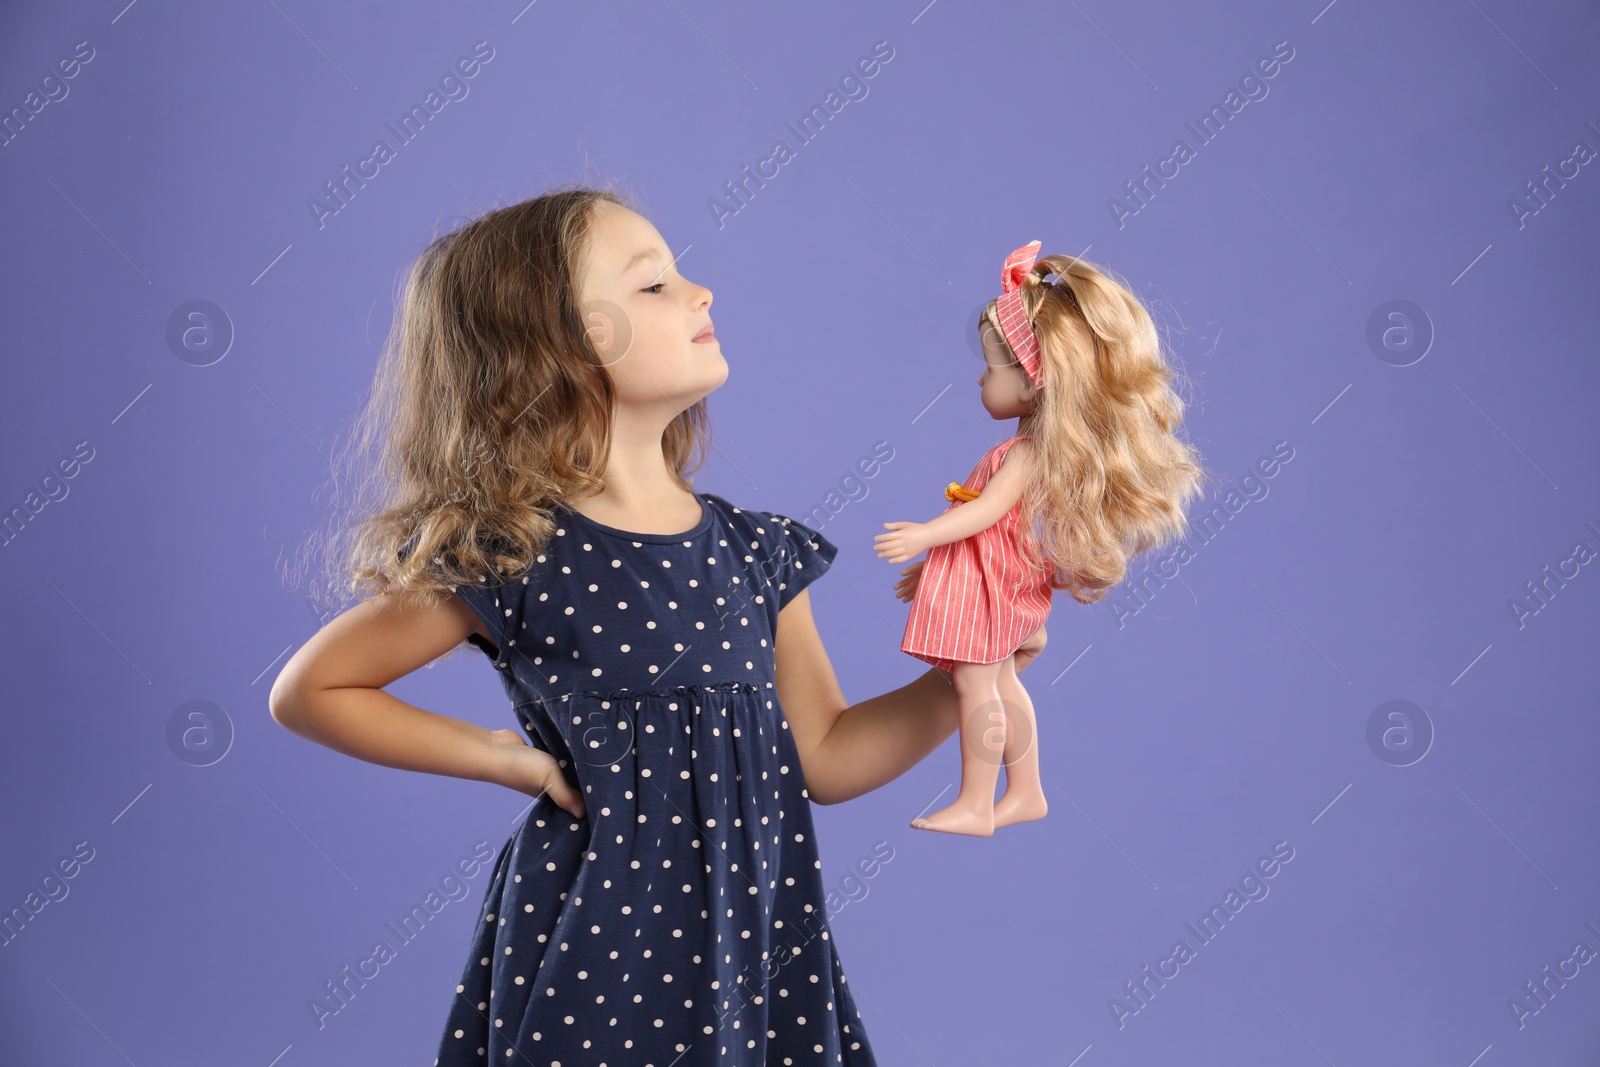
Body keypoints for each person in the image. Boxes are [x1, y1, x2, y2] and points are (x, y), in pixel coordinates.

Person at [268, 183, 1049, 1064]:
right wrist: (501, 757)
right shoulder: (516, 553)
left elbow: (825, 753)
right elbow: (313, 691)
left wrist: (960, 676)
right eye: (653, 285)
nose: (700, 292)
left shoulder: (757, 553)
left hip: (751, 944)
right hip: (598, 949)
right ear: (555, 346)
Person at [876, 241, 1209, 837]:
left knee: (976, 683)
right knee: (999, 681)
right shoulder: (1029, 450)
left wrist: (926, 535)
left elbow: (984, 515)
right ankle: (1026, 792)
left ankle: (977, 800)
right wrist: (932, 567)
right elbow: (984, 525)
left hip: (994, 589)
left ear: (1034, 383)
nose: (981, 377)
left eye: (993, 367)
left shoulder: (1025, 455)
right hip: (999, 582)